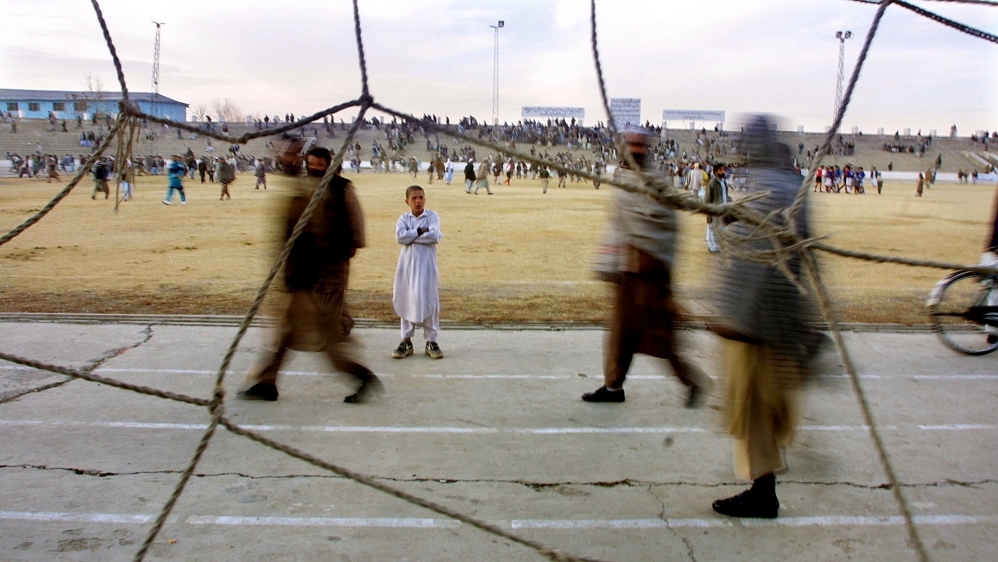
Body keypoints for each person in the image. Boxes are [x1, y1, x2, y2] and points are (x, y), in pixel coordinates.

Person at [711, 116, 817, 519]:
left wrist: (734, 317)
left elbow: (752, 266)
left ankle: (763, 492)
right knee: (769, 411)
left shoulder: (766, 192)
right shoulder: (794, 189)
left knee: (753, 409)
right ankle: (763, 486)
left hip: (759, 324)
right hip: (784, 320)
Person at [238, 146, 382, 403]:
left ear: (330, 165)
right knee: (285, 331)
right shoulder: (302, 187)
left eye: (320, 165)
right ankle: (267, 383)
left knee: (328, 337)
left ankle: (361, 376)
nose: (314, 168)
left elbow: (355, 240)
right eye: (311, 163)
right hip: (300, 276)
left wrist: (330, 253)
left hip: (327, 279)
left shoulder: (342, 190)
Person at [583, 127, 713, 407]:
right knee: (621, 334)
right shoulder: (625, 181)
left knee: (658, 336)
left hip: (648, 276)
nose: (634, 150)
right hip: (627, 274)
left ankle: (692, 380)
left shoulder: (655, 183)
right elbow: (618, 227)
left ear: (647, 148)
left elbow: (665, 226)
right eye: (630, 144)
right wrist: (613, 263)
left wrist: (650, 259)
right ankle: (613, 387)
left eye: (640, 145)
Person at [391, 185, 444, 360]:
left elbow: (434, 236)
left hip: (427, 266)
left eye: (421, 197)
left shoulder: (432, 216)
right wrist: (420, 231)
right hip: (407, 266)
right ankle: (406, 341)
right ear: (407, 201)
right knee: (406, 299)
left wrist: (411, 236)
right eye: (414, 198)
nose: (418, 201)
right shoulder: (403, 218)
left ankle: (431, 341)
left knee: (429, 299)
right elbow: (400, 237)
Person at [705, 163, 729, 253]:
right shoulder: (712, 183)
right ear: (716, 172)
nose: (723, 171)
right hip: (714, 210)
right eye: (720, 170)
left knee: (722, 228)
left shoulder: (723, 182)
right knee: (711, 228)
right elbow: (707, 199)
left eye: (723, 169)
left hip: (723, 209)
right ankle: (712, 248)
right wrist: (708, 212)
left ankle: (718, 245)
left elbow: (725, 196)